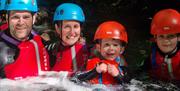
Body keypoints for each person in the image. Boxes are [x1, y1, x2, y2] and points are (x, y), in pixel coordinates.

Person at [0, 0, 50, 80]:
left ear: (34, 18)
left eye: (26, 17)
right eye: (15, 17)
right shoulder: (2, 51)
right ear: (7, 18)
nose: (21, 22)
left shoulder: (42, 41)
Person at [72, 21, 129, 85]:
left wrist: (117, 75)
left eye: (115, 45)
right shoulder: (92, 61)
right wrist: (95, 71)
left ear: (121, 49)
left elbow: (128, 84)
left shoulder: (121, 65)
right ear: (99, 47)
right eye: (107, 45)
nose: (111, 48)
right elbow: (75, 79)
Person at [47, 3, 88, 75]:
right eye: (67, 27)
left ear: (80, 29)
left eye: (76, 26)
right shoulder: (49, 50)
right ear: (57, 28)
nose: (72, 32)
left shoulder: (89, 51)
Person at [144, 9, 180, 82]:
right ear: (155, 38)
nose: (165, 40)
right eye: (161, 36)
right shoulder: (152, 57)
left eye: (170, 36)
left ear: (179, 38)